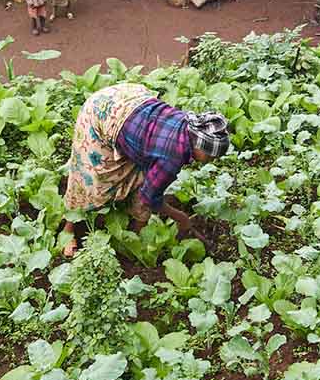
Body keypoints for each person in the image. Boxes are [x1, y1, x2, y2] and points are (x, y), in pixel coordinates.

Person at [60, 83, 230, 256]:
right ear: (198, 145)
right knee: (91, 180)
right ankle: (68, 230)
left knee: (142, 176)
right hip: (100, 113)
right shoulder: (172, 157)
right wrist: (180, 217)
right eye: (210, 156)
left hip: (128, 98)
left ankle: (135, 239)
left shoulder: (187, 125)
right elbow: (150, 197)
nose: (211, 161)